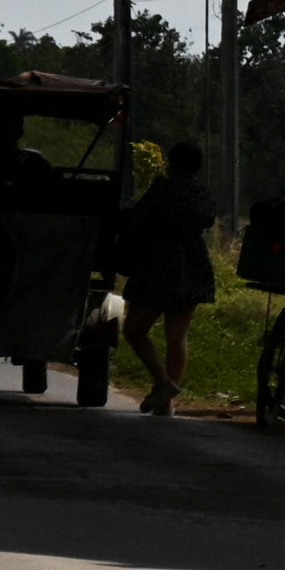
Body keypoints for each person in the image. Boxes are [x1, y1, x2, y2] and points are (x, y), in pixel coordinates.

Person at [111, 135, 218, 413]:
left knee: (135, 330)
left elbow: (138, 220)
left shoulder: (162, 188)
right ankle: (166, 402)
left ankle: (162, 382)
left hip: (158, 265)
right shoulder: (203, 193)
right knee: (177, 336)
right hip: (193, 266)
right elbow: (206, 220)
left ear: (172, 163)